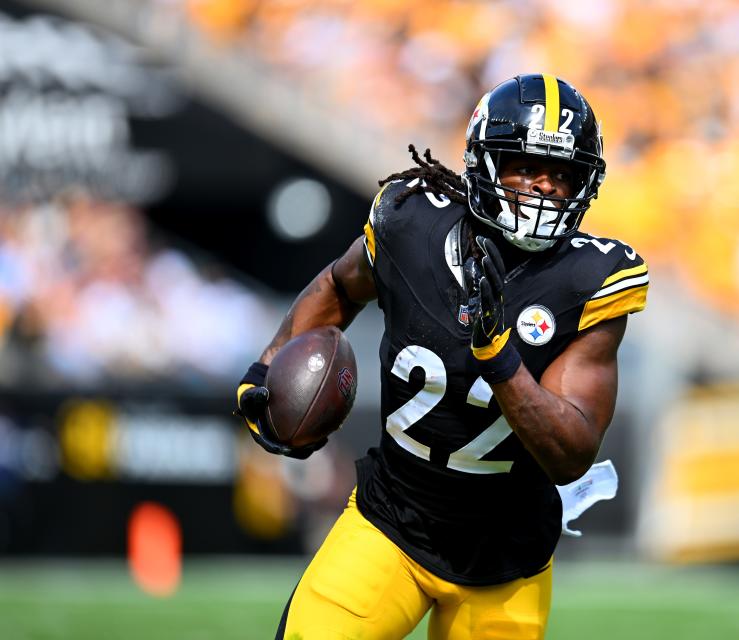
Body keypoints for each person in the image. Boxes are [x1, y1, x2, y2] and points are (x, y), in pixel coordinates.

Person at [236, 73, 648, 640]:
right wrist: (267, 368)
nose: (544, 187)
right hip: (391, 521)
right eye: (524, 166)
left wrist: (498, 354)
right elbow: (338, 286)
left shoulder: (591, 278)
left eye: (562, 174)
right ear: (483, 162)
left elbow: (569, 454)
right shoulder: (410, 222)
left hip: (506, 560)